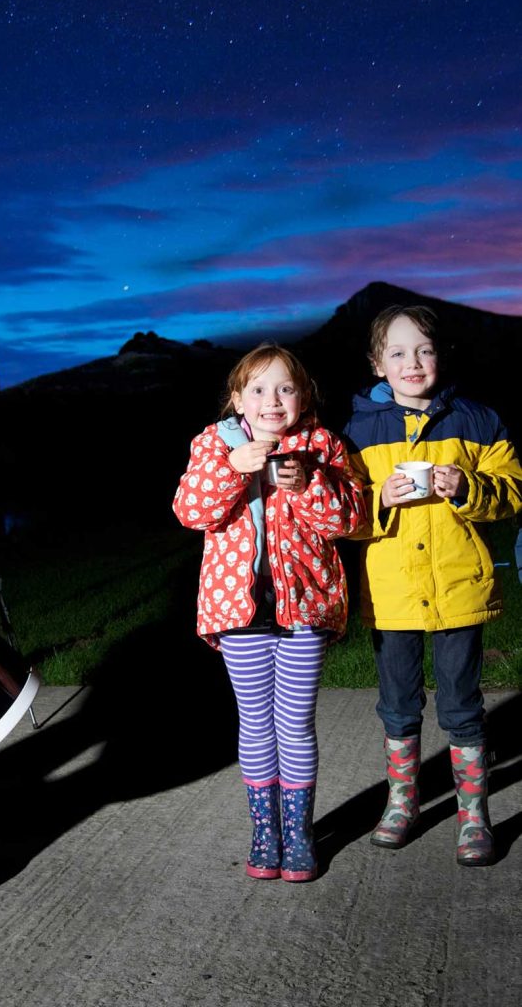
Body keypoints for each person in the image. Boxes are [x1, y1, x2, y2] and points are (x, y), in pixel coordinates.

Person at [172, 344, 365, 881]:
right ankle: (264, 830)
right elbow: (190, 511)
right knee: (256, 723)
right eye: (257, 389)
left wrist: (310, 483)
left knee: (296, 725)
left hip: (304, 606)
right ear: (237, 399)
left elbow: (347, 519)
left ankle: (299, 831)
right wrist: (233, 468)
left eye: (285, 388)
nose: (272, 400)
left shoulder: (320, 443)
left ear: (303, 397)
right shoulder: (215, 442)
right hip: (238, 611)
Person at [342, 304, 522, 867]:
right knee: (397, 703)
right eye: (397, 352)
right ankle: (403, 802)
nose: (412, 362)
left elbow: (512, 492)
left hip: (459, 586)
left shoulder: (479, 421)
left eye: (423, 349)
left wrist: (467, 486)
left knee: (463, 704)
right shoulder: (357, 431)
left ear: (440, 356)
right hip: (393, 591)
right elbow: (341, 512)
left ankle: (474, 813)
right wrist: (379, 501)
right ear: (378, 363)